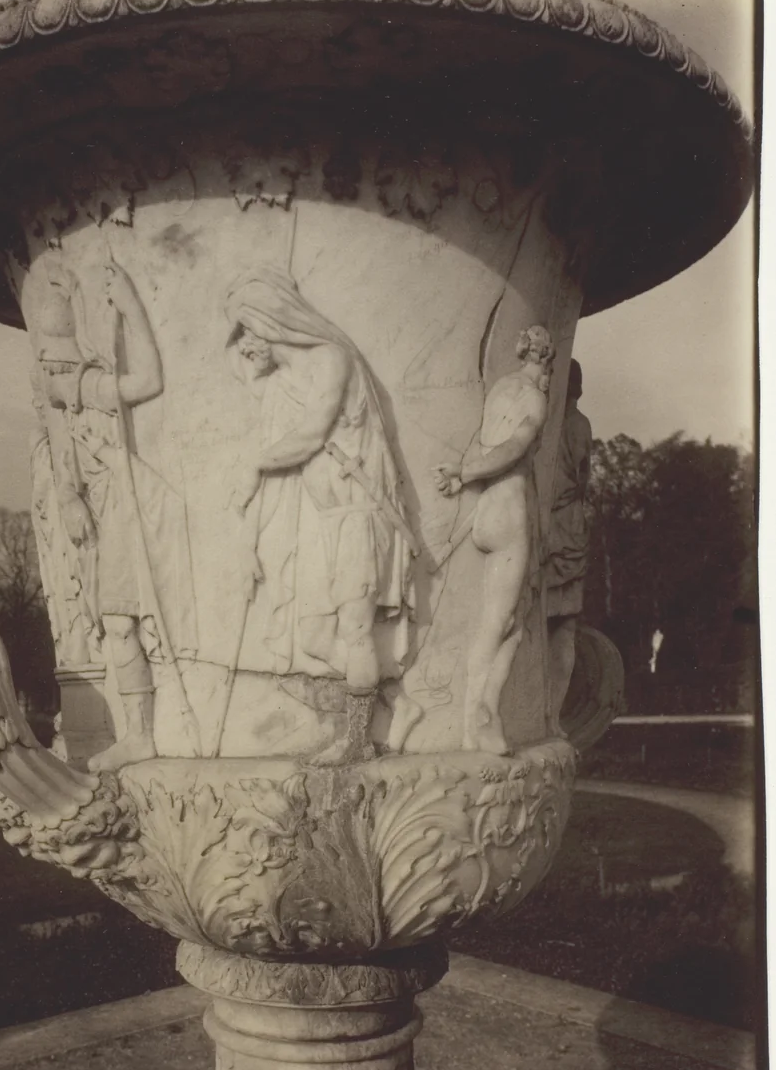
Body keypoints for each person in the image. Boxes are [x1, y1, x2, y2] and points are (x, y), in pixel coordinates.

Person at [225, 268, 414, 764]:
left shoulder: (332, 359)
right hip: (326, 519)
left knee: (354, 630)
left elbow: (310, 435)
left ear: (269, 321)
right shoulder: (289, 376)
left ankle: (357, 741)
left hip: (359, 513)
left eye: (246, 328)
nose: (243, 342)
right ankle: (397, 704)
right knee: (313, 637)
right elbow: (255, 391)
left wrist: (252, 466)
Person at [35, 257, 196, 772]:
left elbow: (147, 380)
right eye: (46, 369)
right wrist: (69, 498)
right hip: (106, 515)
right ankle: (139, 733)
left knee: (120, 620)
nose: (48, 378)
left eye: (54, 367)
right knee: (115, 622)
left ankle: (142, 735)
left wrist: (130, 307)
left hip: (131, 508)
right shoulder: (63, 403)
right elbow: (64, 460)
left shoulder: (89, 388)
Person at [435, 325, 554, 755]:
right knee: (503, 624)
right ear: (545, 361)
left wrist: (465, 473)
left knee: (507, 624)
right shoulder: (534, 398)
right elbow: (512, 449)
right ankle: (481, 718)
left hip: (487, 510)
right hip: (510, 512)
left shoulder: (500, 388)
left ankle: (482, 716)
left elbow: (486, 441)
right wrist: (463, 473)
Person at [545, 359, 592, 729]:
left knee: (542, 624)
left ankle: (540, 714)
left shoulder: (550, 424)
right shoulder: (581, 424)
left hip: (551, 528)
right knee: (565, 627)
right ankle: (553, 715)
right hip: (572, 527)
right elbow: (582, 479)